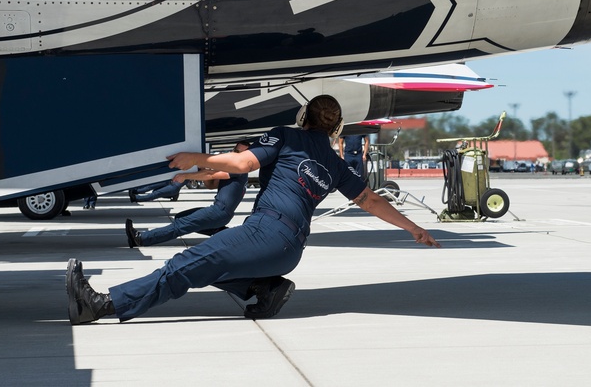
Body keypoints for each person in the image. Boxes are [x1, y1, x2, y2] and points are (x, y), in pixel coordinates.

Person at [66, 94, 440, 325]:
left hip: (265, 232)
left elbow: (244, 165)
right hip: (290, 250)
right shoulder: (336, 163)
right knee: (207, 265)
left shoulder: (286, 135)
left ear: (303, 117)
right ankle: (265, 287)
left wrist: (196, 159)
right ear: (336, 128)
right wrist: (413, 230)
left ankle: (100, 305)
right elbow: (371, 200)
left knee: (184, 265)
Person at [124, 139, 253, 247]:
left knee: (181, 225)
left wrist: (186, 176)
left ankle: (141, 238)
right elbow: (211, 185)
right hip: (219, 212)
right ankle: (227, 235)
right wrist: (203, 168)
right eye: (237, 151)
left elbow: (209, 174)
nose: (237, 155)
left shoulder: (239, 169)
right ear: (233, 151)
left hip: (220, 211)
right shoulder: (232, 169)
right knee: (181, 217)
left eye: (242, 154)